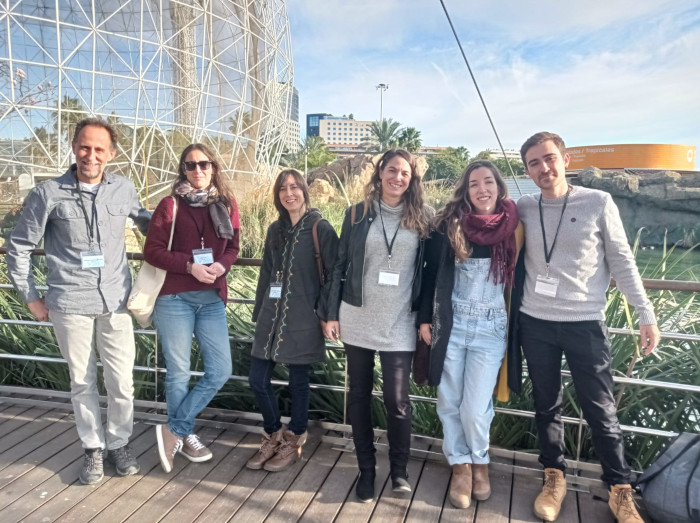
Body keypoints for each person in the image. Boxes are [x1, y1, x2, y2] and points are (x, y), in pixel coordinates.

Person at [513, 132, 660, 523]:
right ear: (526, 170)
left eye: (549, 159)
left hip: (585, 324)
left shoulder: (598, 201)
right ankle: (554, 477)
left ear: (564, 158)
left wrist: (645, 313)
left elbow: (622, 261)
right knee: (546, 406)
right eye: (533, 163)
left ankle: (620, 489)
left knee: (601, 410)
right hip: (535, 322)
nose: (544, 168)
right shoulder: (524, 206)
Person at [6, 118, 151, 485]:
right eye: (85, 147)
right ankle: (93, 449)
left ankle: (119, 442)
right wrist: (31, 299)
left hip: (116, 301)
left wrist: (194, 219)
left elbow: (152, 225)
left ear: (111, 154)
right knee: (82, 381)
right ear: (74, 148)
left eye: (99, 149)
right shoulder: (47, 194)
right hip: (69, 302)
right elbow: (19, 247)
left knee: (121, 382)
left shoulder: (123, 189)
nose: (91, 155)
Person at [322, 149, 433, 503]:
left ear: (412, 179)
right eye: (391, 170)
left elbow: (430, 275)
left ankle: (399, 471)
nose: (397, 177)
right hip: (357, 315)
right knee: (358, 394)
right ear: (380, 173)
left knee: (397, 401)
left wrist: (427, 317)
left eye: (404, 172)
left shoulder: (423, 218)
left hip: (401, 320)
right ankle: (366, 470)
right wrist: (332, 312)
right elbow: (339, 265)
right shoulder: (356, 214)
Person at [418, 160, 524, 509]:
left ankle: (481, 461)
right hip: (452, 324)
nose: (482, 189)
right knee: (449, 401)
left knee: (476, 408)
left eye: (488, 182)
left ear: (499, 186)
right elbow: (430, 276)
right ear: (466, 189)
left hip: (492, 327)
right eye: (474, 183)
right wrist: (424, 320)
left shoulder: (515, 226)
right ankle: (460, 466)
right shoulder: (449, 226)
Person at [143, 143, 240, 473]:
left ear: (213, 167)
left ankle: (175, 429)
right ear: (182, 169)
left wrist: (222, 266)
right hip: (175, 298)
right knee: (179, 372)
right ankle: (183, 435)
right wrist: (189, 266)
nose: (198, 170)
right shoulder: (169, 206)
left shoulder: (226, 204)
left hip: (211, 299)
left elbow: (234, 247)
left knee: (220, 370)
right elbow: (152, 251)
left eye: (204, 164)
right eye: (190, 165)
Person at [246, 169, 338, 472]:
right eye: (283, 189)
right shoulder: (276, 230)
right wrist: (259, 310)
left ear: (304, 191)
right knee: (258, 380)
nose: (289, 193)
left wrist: (327, 315)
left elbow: (334, 276)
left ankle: (294, 439)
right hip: (271, 316)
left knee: (299, 382)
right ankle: (272, 433)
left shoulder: (320, 228)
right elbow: (265, 273)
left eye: (295, 187)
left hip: (305, 317)